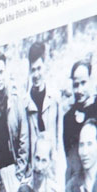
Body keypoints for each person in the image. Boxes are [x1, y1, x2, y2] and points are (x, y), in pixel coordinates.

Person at [0, 51, 31, 192]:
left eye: (1, 73)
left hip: (14, 170)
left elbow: (24, 139)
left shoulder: (15, 102)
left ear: (6, 73)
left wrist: (19, 173)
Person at [63, 59, 97, 181]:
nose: (79, 90)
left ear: (90, 81)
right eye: (76, 85)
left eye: (83, 83)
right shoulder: (67, 118)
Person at [24, 40, 61, 175]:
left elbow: (59, 138)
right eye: (33, 70)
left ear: (45, 67)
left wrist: (58, 168)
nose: (36, 75)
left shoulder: (54, 98)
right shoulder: (26, 103)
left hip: (52, 167)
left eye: (39, 68)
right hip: (34, 168)